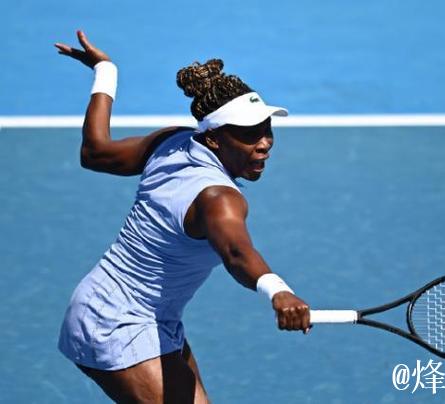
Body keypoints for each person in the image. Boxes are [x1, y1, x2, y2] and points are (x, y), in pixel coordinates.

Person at [55, 31, 311, 403]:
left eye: (267, 129)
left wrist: (105, 71)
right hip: (115, 322)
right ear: (214, 138)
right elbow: (236, 253)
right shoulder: (219, 198)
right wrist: (278, 291)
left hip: (141, 314)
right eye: (248, 134)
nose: (264, 143)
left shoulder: (171, 142)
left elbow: (95, 152)